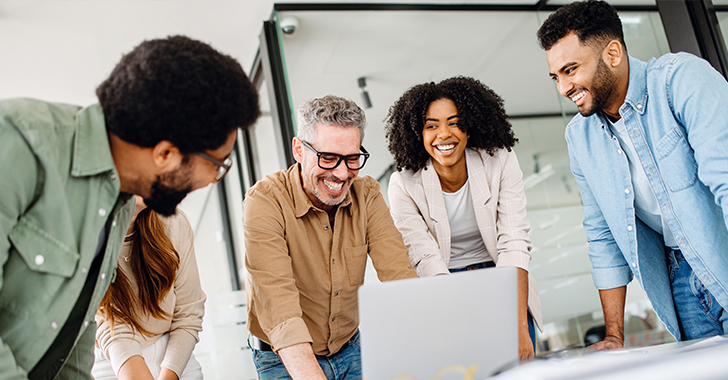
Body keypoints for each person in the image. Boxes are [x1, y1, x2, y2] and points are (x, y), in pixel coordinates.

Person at [0, 35, 259, 379]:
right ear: (165, 154)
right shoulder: (18, 143)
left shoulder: (119, 202)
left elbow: (72, 343)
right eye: (219, 164)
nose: (214, 179)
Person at [537, 0, 728, 349]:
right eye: (556, 77)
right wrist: (614, 335)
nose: (563, 88)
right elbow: (602, 233)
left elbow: (726, 181)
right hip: (679, 280)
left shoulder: (680, 80)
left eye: (571, 70)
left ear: (612, 53)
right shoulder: (580, 136)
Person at [243, 95, 417, 379]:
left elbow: (399, 276)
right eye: (328, 158)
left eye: (352, 159)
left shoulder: (367, 194)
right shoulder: (265, 200)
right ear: (299, 149)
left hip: (351, 347)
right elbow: (279, 306)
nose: (341, 173)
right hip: (283, 357)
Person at [385, 76, 543, 360]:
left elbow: (514, 243)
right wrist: (458, 323)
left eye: (454, 123)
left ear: (469, 128)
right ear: (417, 134)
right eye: (431, 126)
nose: (444, 134)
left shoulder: (501, 161)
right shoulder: (403, 184)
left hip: (502, 276)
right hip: (445, 283)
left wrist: (519, 329)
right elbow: (425, 258)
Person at [92, 196, 205, 380]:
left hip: (173, 354)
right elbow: (109, 325)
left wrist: (169, 373)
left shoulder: (173, 223)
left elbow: (188, 314)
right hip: (113, 358)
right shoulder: (87, 236)